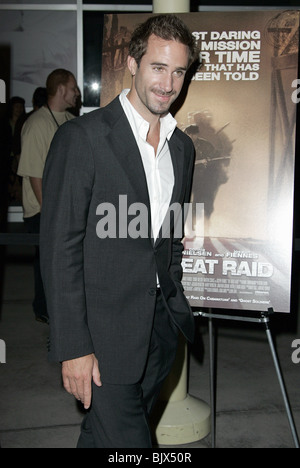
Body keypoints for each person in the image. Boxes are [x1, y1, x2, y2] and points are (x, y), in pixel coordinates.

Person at [40, 15, 198, 448]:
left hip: (160, 334)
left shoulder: (182, 148)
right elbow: (59, 250)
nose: (168, 83)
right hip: (102, 341)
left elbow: (169, 238)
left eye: (179, 71)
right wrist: (72, 346)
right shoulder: (83, 138)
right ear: (132, 63)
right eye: (157, 67)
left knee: (102, 440)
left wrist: (174, 296)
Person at [17, 70, 79, 323]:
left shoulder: (68, 120)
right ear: (62, 90)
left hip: (63, 207)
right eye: (73, 88)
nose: (77, 93)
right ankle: (43, 309)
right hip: (43, 210)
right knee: (46, 264)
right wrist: (49, 214)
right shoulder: (37, 124)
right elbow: (34, 174)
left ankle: (61, 306)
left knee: (63, 263)